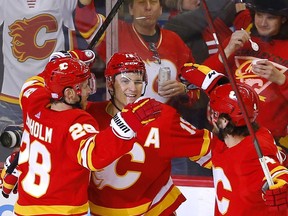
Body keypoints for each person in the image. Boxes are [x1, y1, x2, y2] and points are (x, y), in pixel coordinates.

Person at [11, 56, 162, 215]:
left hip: (23, 209)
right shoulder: (77, 121)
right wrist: (127, 124)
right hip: (64, 211)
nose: (89, 90)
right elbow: (94, 156)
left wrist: (61, 62)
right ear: (69, 94)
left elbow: (32, 83)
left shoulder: (33, 102)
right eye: (84, 86)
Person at [75, 0, 200, 175]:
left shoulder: (174, 41)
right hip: (124, 132)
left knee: (176, 188)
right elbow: (85, 20)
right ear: (131, 9)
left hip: (164, 133)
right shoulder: (115, 32)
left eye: (154, 2)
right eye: (141, 2)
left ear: (161, 8)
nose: (148, 7)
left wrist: (184, 90)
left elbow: (196, 84)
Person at [85, 52, 215, 215]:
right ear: (110, 84)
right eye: (125, 81)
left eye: (138, 81)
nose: (132, 88)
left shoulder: (162, 117)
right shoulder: (88, 116)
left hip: (155, 210)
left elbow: (213, 151)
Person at [0, 0, 103, 160]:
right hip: (11, 100)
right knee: (8, 165)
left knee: (52, 161)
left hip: (54, 101)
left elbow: (87, 16)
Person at [185, 0, 288, 157]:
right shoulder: (239, 41)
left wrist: (282, 79)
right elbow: (201, 79)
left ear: (283, 18)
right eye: (259, 15)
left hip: (268, 143)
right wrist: (227, 50)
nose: (262, 22)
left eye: (270, 18)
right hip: (226, 136)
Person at [207, 82, 288, 215]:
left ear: (224, 121)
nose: (212, 118)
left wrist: (282, 182)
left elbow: (274, 170)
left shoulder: (253, 151)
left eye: (214, 113)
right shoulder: (260, 132)